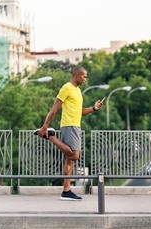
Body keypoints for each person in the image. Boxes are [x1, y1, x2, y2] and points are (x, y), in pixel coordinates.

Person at [34, 65, 104, 201]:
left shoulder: (77, 91)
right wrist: (45, 126)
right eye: (84, 77)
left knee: (70, 159)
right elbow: (54, 108)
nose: (85, 79)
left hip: (76, 125)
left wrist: (94, 109)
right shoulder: (67, 88)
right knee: (75, 155)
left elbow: (80, 111)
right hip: (69, 125)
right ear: (77, 75)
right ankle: (50, 136)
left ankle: (66, 191)